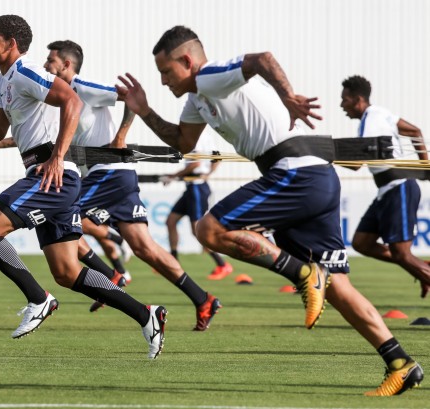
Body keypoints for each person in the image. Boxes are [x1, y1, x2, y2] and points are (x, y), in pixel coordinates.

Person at [118, 25, 423, 395]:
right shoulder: (196, 99)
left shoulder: (212, 76)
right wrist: (145, 110)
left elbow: (261, 59)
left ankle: (305, 274)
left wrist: (290, 96)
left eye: (167, 72)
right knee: (339, 286)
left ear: (187, 61)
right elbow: (182, 141)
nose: (164, 81)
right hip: (313, 176)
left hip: (296, 173)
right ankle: (400, 363)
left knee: (208, 230)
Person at [0, 15, 166, 359]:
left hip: (52, 175)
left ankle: (37, 299)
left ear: (11, 44)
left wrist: (58, 156)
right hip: (55, 175)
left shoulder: (27, 71)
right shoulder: (5, 81)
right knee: (67, 272)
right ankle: (146, 314)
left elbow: (71, 101)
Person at [42, 39, 221, 328]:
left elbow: (128, 98)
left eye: (49, 61)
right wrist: (4, 143)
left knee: (58, 214)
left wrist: (122, 134)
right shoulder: (62, 99)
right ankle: (203, 299)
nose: (45, 65)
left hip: (109, 171)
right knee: (144, 248)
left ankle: (111, 274)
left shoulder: (84, 87)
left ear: (66, 64)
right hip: (113, 174)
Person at [340, 75, 430, 298]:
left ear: (358, 99)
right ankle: (421, 267)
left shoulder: (372, 118)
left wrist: (324, 155)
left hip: (398, 187)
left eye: (345, 100)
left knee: (401, 254)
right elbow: (415, 131)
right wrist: (425, 165)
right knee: (362, 242)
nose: (342, 105)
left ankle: (420, 268)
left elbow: (357, 163)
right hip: (387, 190)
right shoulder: (380, 114)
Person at [163, 132, 234, 280]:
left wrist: (173, 176)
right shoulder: (207, 137)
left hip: (197, 188)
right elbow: (217, 157)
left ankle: (222, 264)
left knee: (197, 230)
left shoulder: (196, 137)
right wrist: (208, 173)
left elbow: (195, 164)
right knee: (171, 221)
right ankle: (173, 262)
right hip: (192, 187)